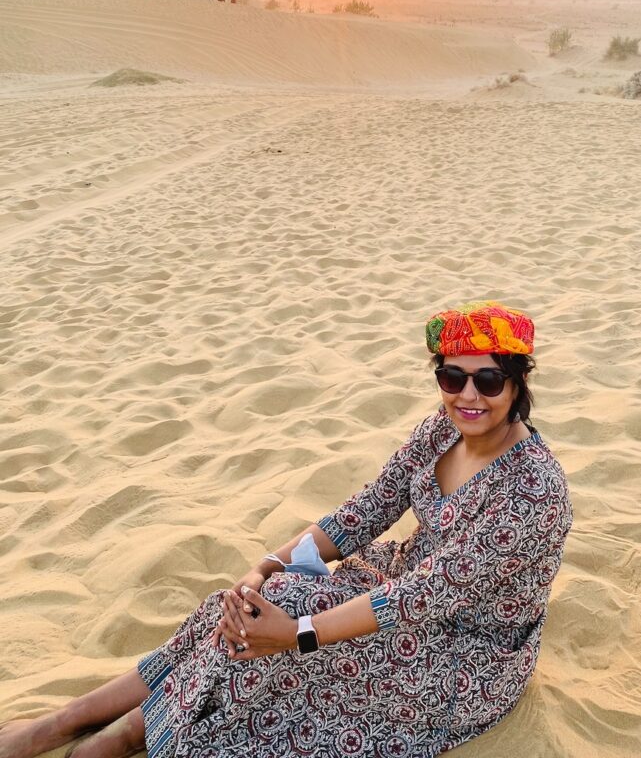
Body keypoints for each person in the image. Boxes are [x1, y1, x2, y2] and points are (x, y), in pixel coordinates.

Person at [0, 301, 572, 758]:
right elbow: (365, 510)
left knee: (280, 634)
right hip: (396, 587)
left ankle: (125, 734)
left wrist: (296, 632)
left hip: (468, 652)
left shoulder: (533, 491)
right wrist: (265, 565)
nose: (468, 396)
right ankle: (72, 720)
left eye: (488, 381)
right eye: (452, 377)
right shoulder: (439, 432)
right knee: (250, 603)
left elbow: (427, 596)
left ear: (518, 384)